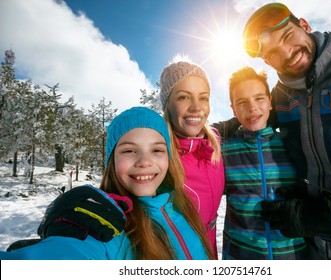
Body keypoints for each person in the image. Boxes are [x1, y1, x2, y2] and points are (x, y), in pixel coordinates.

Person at [242, 2, 331, 259]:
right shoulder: (279, 98)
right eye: (274, 52)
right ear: (267, 61)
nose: (288, 53)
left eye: (288, 36)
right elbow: (249, 122)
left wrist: (330, 219)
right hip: (316, 253)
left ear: (305, 25)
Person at [0, 106, 214, 260]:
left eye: (157, 150)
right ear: (112, 160)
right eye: (129, 151)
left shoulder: (181, 205)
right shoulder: (104, 227)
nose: (145, 162)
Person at [213, 66, 307, 260]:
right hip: (241, 256)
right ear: (233, 110)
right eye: (242, 102)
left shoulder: (291, 145)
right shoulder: (224, 152)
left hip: (292, 255)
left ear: (270, 102)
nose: (252, 107)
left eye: (259, 98)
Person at [159, 56, 225, 258]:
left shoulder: (213, 144)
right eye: (184, 97)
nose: (197, 107)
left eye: (203, 97)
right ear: (167, 105)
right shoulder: (158, 156)